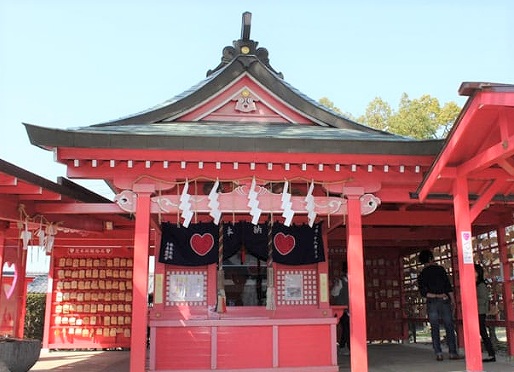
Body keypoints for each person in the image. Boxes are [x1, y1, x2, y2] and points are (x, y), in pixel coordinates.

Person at [417, 249, 462, 361]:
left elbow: (424, 293)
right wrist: (452, 299)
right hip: (444, 299)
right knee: (449, 326)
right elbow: (447, 285)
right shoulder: (440, 270)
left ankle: (438, 353)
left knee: (434, 327)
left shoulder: (422, 274)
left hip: (432, 302)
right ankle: (452, 352)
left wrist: (435, 295)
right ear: (431, 258)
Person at [474, 264, 496, 362]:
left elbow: (483, 299)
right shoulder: (476, 284)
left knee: (483, 332)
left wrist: (472, 299)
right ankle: (490, 354)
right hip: (477, 311)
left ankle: (491, 354)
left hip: (480, 311)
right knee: (481, 332)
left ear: (478, 273)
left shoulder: (481, 285)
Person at [330, 262, 350, 354]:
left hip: (351, 308)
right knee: (346, 329)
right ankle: (343, 347)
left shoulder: (353, 281)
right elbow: (334, 293)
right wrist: (337, 286)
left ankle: (346, 347)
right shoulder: (340, 281)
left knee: (349, 329)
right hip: (342, 309)